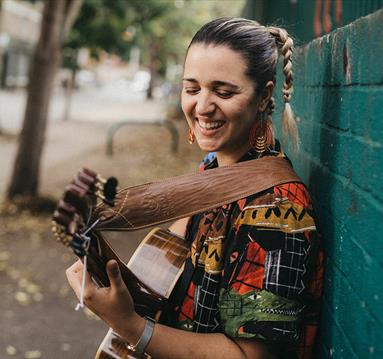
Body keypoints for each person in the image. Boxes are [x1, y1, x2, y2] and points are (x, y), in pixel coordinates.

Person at [66, 17, 323, 359]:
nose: (202, 107)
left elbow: (248, 356)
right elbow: (170, 256)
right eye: (192, 89)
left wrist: (129, 325)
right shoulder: (212, 169)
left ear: (263, 96)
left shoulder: (278, 211)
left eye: (223, 91)